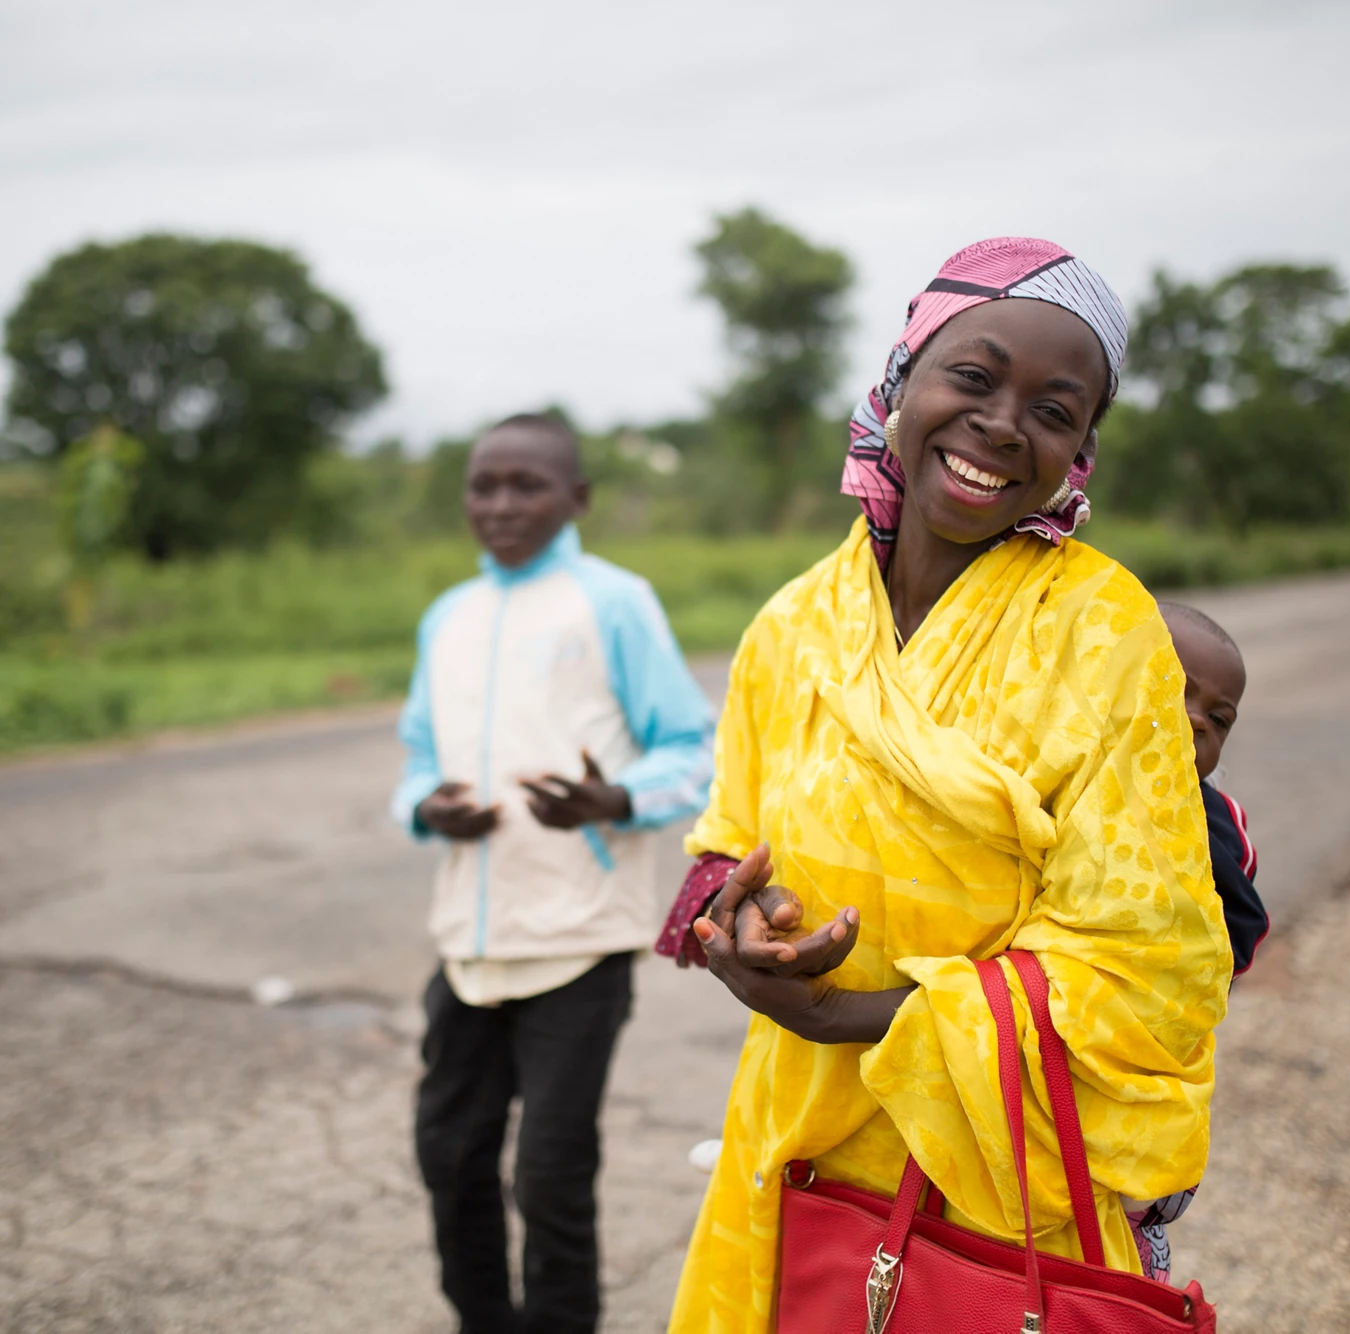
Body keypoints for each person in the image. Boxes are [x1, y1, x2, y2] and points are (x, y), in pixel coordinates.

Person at [653, 238, 1233, 1327]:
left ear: (1079, 451)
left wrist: (851, 1014)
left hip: (996, 1175)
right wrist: (744, 925)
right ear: (898, 380)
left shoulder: (1102, 631)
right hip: (794, 1138)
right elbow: (725, 841)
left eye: (1053, 409)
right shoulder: (794, 622)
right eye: (971, 376)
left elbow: (1150, 964)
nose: (1002, 423)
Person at [392, 412, 715, 1334]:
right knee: (450, 1154)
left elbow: (691, 746)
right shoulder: (448, 616)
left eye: (524, 485)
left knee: (550, 1174)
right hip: (469, 941)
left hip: (580, 941)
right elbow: (418, 757)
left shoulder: (611, 602)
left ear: (575, 498)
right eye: (481, 485)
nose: (498, 504)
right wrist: (426, 807)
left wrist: (612, 799)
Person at [1161, 601, 1269, 976]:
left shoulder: (1212, 822)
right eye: (1173, 686)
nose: (1196, 719)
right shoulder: (1055, 763)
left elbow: (1237, 934)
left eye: (1218, 718)